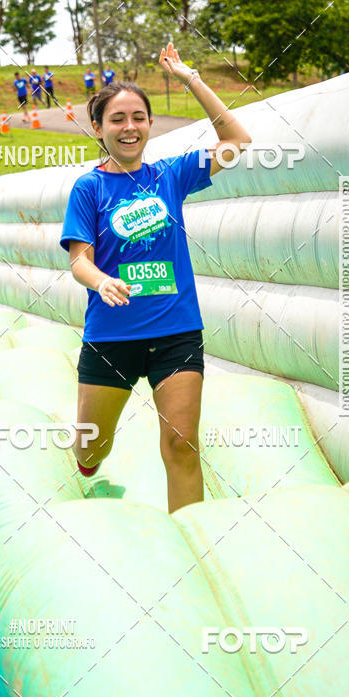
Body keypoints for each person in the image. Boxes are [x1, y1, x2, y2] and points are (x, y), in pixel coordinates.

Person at [60, 41, 252, 513]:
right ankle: (86, 461)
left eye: (138, 117)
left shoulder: (171, 175)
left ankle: (194, 541)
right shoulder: (89, 188)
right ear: (99, 128)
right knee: (92, 447)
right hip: (112, 336)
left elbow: (237, 142)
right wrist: (100, 281)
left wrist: (191, 79)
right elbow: (79, 260)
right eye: (117, 119)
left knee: (181, 445)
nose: (129, 127)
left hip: (175, 333)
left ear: (149, 124)